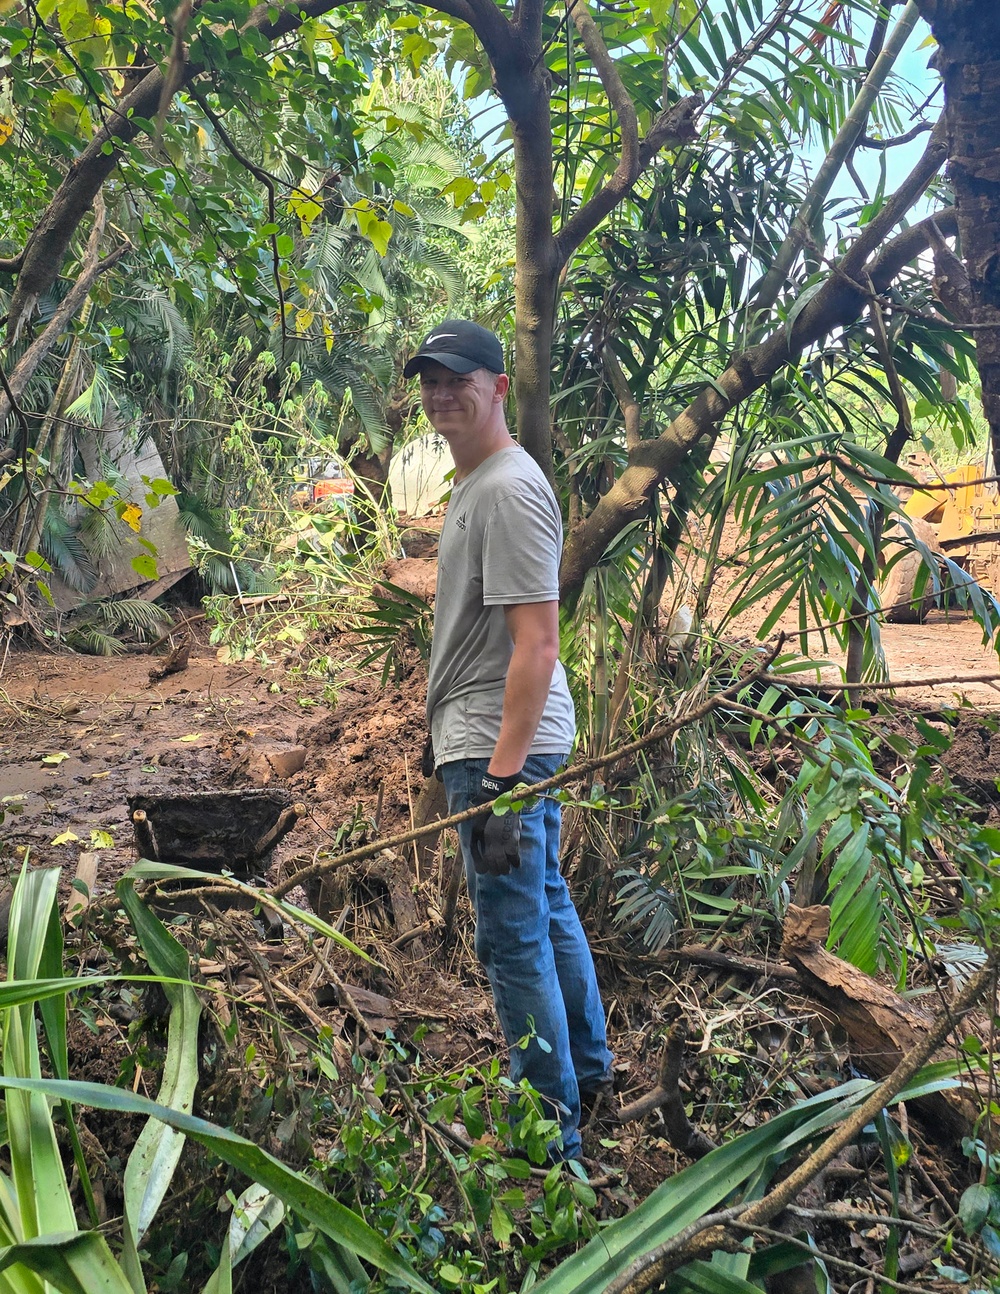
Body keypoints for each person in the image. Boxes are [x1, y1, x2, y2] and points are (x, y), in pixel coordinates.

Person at [404, 319, 613, 1162]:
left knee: (510, 932)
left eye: (458, 377)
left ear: (496, 385)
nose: (440, 391)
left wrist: (498, 784)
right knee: (544, 904)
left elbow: (538, 644)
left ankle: (549, 1133)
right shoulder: (479, 481)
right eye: (428, 378)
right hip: (485, 732)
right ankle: (587, 1073)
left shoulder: (508, 489)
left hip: (504, 744)